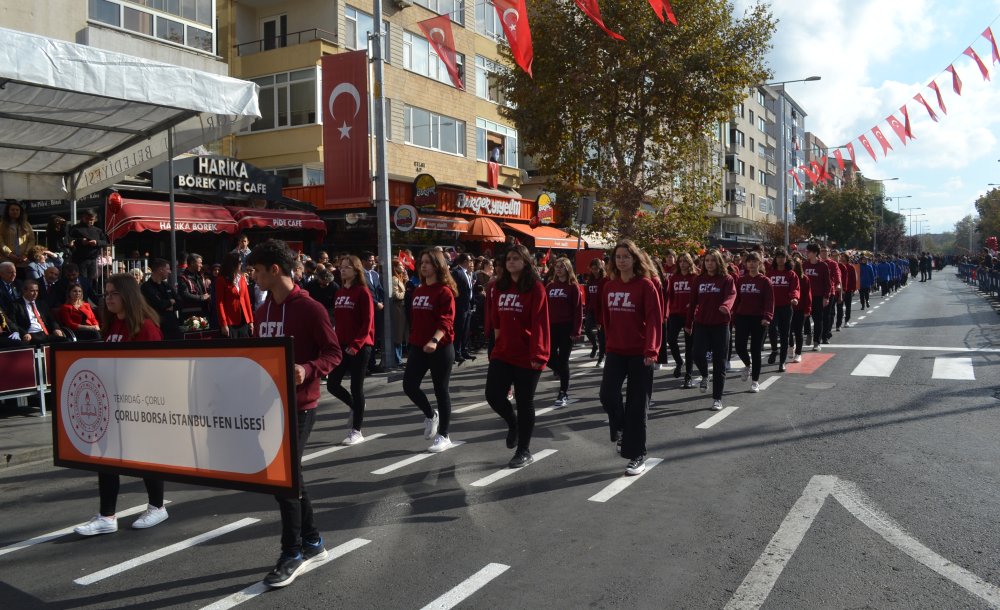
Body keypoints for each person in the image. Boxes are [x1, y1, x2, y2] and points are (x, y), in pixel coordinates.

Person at [249, 239, 342, 588]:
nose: (253, 277)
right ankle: (313, 540)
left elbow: (333, 352)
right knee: (289, 478)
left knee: (284, 477)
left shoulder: (310, 308)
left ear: (275, 270)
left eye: (257, 271)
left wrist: (309, 368)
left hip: (301, 405)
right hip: (268, 406)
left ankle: (293, 553)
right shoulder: (261, 312)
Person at [74, 273, 167, 536]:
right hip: (112, 406)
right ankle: (107, 516)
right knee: (106, 460)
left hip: (139, 407)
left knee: (144, 458)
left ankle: (157, 506)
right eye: (106, 293)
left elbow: (151, 370)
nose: (108, 298)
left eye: (113, 293)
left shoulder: (146, 328)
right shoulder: (113, 325)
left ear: (127, 295)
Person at [599, 240, 662, 475]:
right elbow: (607, 319)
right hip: (616, 350)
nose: (622, 260)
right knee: (607, 395)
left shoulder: (645, 285)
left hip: (640, 353)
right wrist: (608, 345)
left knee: (637, 406)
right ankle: (622, 428)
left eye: (626, 256)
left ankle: (637, 454)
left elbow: (654, 319)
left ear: (635, 259)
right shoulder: (609, 286)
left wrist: (651, 350)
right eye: (618, 257)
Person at [485, 244, 550, 469]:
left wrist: (538, 354)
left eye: (515, 258)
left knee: (525, 402)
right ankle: (513, 424)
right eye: (508, 259)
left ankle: (524, 450)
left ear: (525, 262)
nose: (511, 262)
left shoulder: (536, 287)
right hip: (503, 352)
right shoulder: (498, 287)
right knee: (493, 395)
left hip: (528, 354)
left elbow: (539, 322)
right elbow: (496, 322)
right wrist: (494, 349)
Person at [402, 249, 458, 452]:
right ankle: (430, 415)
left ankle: (444, 435)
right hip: (418, 346)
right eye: (421, 262)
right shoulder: (418, 290)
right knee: (409, 385)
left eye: (427, 262)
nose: (423, 266)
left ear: (437, 266)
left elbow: (447, 321)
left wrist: (434, 340)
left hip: (440, 347)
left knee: (440, 390)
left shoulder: (444, 291)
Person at [328, 255, 375, 446]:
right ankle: (357, 406)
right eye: (341, 267)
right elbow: (338, 321)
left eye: (347, 267)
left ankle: (356, 431)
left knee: (356, 387)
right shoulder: (339, 293)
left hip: (360, 347)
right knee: (332, 384)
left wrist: (356, 345)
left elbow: (368, 322)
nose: (342, 270)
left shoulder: (363, 292)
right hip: (341, 345)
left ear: (356, 270)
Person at [686, 249, 737, 411]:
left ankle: (717, 398)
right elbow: (692, 302)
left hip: (721, 325)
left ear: (718, 262)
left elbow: (731, 296)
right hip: (701, 323)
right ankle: (705, 375)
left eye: (712, 260)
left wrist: (725, 307)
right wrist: (688, 323)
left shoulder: (727, 279)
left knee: (719, 363)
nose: (709, 263)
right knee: (697, 354)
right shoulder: (699, 280)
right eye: (707, 260)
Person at [733, 252, 774, 392]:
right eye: (749, 261)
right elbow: (736, 300)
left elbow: (769, 301)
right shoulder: (741, 280)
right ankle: (747, 364)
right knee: (739, 346)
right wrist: (733, 316)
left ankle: (755, 381)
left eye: (754, 261)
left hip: (759, 319)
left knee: (755, 350)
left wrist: (767, 317)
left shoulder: (765, 281)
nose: (751, 264)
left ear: (759, 263)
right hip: (742, 317)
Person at [546, 257, 583, 407]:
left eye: (562, 267)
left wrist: (577, 330)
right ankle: (563, 374)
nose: (559, 269)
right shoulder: (549, 286)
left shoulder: (573, 286)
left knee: (563, 360)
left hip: (566, 327)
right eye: (557, 267)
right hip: (551, 327)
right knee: (548, 357)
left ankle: (563, 392)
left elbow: (578, 310)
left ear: (568, 268)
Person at [666, 253, 698, 387]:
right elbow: (670, 296)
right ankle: (679, 361)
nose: (683, 264)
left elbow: (698, 296)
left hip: (690, 314)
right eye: (680, 261)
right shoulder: (674, 277)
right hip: (675, 313)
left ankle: (688, 376)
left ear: (690, 262)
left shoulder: (695, 277)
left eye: (685, 261)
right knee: (671, 339)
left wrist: (694, 308)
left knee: (689, 346)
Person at [765, 250, 799, 372]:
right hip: (772, 307)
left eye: (782, 257)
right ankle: (774, 350)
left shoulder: (791, 274)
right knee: (772, 329)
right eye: (778, 257)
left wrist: (794, 298)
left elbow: (795, 288)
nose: (780, 259)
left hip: (786, 307)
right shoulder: (770, 274)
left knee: (785, 334)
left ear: (786, 259)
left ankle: (782, 362)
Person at [8, 279, 66, 344]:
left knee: (65, 340)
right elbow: (13, 323)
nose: (35, 293)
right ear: (24, 291)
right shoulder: (16, 305)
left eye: (37, 291)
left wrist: (56, 328)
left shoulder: (41, 303)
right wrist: (24, 333)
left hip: (45, 333)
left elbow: (51, 319)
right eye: (32, 291)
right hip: (30, 334)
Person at [140, 259, 182, 340]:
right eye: (168, 269)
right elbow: (158, 304)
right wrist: (170, 301)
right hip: (158, 327)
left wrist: (172, 306)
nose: (170, 272)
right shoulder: (146, 287)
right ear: (160, 270)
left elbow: (180, 302)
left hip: (173, 327)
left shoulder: (167, 286)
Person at [215, 252, 254, 339]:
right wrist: (223, 324)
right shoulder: (221, 280)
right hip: (230, 321)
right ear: (232, 263)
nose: (241, 263)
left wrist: (250, 321)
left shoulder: (242, 278)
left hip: (244, 321)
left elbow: (246, 300)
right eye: (239, 261)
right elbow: (219, 303)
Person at [801, 244, 831, 352]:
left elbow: (828, 283)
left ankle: (817, 342)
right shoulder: (804, 265)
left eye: (808, 251)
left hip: (818, 297)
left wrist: (826, 297)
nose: (806, 253)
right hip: (805, 297)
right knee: (805, 317)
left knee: (818, 320)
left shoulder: (823, 266)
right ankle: (808, 333)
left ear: (814, 253)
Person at [360, 251, 386, 372]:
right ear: (363, 261)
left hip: (377, 310)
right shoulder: (359, 275)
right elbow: (366, 292)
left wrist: (381, 302)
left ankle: (372, 363)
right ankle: (364, 366)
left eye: (373, 260)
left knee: (374, 337)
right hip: (367, 309)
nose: (373, 262)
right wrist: (375, 303)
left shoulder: (375, 274)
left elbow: (379, 289)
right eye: (370, 260)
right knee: (366, 337)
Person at [68, 210, 108, 281]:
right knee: (82, 280)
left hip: (93, 259)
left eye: (92, 220)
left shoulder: (98, 230)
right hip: (80, 259)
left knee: (91, 281)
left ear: (95, 219)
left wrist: (96, 242)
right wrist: (81, 241)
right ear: (83, 218)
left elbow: (105, 242)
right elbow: (69, 240)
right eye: (87, 219)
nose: (90, 221)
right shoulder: (75, 228)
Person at [0, 201, 36, 278]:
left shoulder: (26, 225)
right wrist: (10, 254)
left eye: (17, 210)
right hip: (7, 259)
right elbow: (0, 242)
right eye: (12, 210)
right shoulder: (2, 225)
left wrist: (25, 255)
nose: (15, 212)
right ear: (8, 211)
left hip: (23, 261)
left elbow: (31, 240)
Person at [451, 253, 476, 363]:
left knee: (466, 330)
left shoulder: (468, 273)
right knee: (459, 330)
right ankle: (457, 352)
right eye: (470, 260)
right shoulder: (457, 272)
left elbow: (469, 289)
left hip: (467, 306)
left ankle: (464, 350)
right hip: (460, 306)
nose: (471, 263)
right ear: (465, 261)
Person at [583, 258, 608, 367]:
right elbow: (587, 295)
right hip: (591, 310)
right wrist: (587, 308)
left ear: (600, 268)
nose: (594, 271)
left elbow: (604, 299)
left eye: (596, 268)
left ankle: (601, 358)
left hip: (601, 311)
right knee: (588, 330)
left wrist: (601, 318)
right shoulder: (590, 280)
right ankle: (594, 346)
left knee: (601, 335)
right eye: (592, 269)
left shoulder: (605, 280)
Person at [788, 258, 811, 364]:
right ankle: (791, 346)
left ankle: (798, 353)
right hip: (787, 309)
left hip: (800, 309)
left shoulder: (804, 279)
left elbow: (807, 296)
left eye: (794, 266)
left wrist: (807, 309)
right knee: (788, 331)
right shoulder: (787, 277)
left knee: (798, 331)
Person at [178, 253, 211, 320]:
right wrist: (201, 297)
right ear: (192, 263)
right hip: (190, 315)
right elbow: (185, 294)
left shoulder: (200, 276)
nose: (201, 265)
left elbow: (205, 291)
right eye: (200, 263)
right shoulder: (183, 277)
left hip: (204, 312)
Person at [390, 259, 408, 367]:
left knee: (401, 334)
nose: (403, 267)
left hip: (402, 307)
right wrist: (406, 293)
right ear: (394, 267)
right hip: (398, 308)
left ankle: (399, 358)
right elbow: (395, 294)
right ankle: (397, 359)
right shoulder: (394, 279)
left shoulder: (400, 278)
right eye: (400, 265)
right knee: (398, 334)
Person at [837, 252, 857, 330]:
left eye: (843, 256)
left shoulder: (851, 267)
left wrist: (853, 289)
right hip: (840, 290)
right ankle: (838, 323)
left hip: (848, 290)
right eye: (841, 256)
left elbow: (854, 279)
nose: (842, 257)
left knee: (848, 306)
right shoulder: (838, 266)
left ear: (847, 258)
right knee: (839, 307)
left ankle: (846, 321)